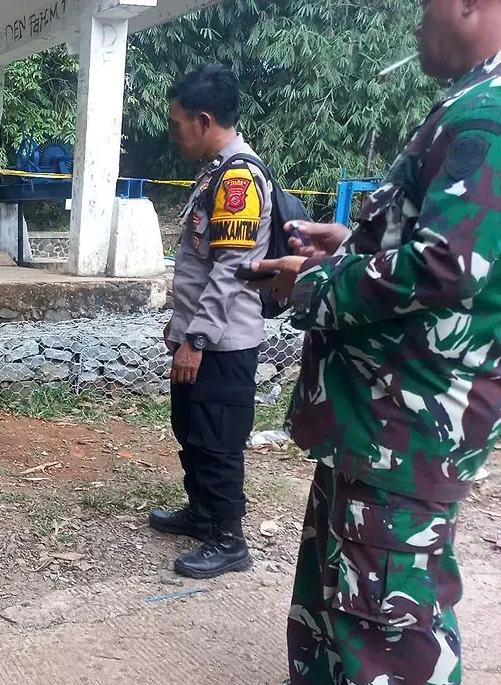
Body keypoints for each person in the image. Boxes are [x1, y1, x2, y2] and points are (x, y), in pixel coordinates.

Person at [252, 2, 501, 682]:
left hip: (406, 421)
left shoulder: (488, 113)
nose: (418, 29)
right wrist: (355, 241)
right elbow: (443, 245)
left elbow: (448, 267)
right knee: (340, 603)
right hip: (378, 425)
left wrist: (311, 283)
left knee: (387, 634)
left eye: (425, 12)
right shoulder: (472, 105)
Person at [151, 63, 274, 579]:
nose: (175, 133)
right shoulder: (217, 172)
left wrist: (195, 338)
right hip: (201, 336)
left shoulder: (239, 177)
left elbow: (230, 270)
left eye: (178, 124)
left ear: (204, 120)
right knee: (193, 428)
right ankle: (202, 514)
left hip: (223, 344)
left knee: (218, 439)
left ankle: (229, 539)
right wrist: (180, 328)